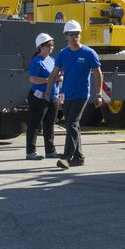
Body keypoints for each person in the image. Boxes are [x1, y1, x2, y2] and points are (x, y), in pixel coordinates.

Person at [46, 20, 103, 169]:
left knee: (71, 124)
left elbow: (98, 74)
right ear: (66, 36)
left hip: (81, 95)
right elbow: (54, 73)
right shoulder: (63, 53)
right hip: (66, 95)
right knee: (74, 126)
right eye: (71, 34)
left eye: (77, 33)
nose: (74, 36)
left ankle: (66, 157)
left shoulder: (89, 53)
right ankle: (79, 157)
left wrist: (98, 93)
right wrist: (48, 91)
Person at [25, 32, 60, 160]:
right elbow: (33, 79)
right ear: (40, 47)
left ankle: (50, 151)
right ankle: (30, 152)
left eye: (52, 45)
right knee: (35, 124)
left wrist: (58, 79)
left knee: (49, 125)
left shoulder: (53, 60)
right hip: (38, 98)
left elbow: (57, 75)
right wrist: (49, 80)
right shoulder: (36, 61)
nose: (50, 48)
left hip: (53, 97)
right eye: (47, 45)